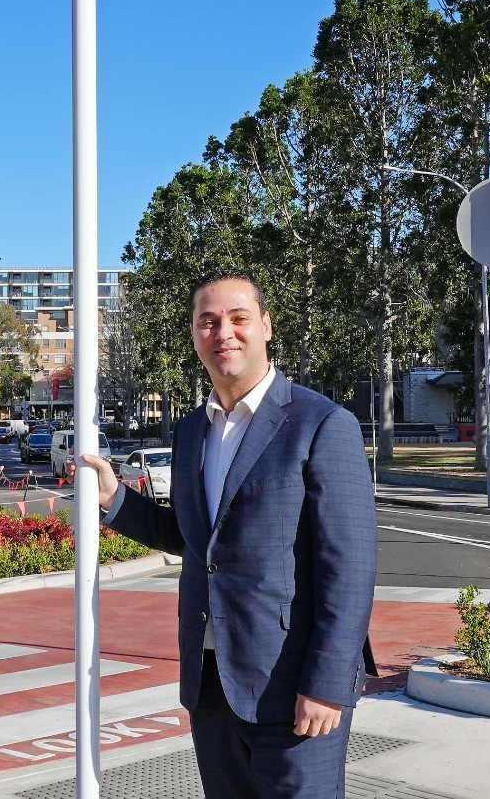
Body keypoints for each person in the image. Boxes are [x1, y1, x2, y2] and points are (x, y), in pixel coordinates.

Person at [84, 269, 377, 799]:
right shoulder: (193, 430)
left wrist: (328, 686)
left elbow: (350, 568)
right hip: (212, 684)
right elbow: (195, 539)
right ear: (195, 334)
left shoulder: (321, 423)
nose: (225, 333)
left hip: (294, 687)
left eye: (239, 318)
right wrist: (114, 499)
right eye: (208, 322)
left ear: (265, 326)